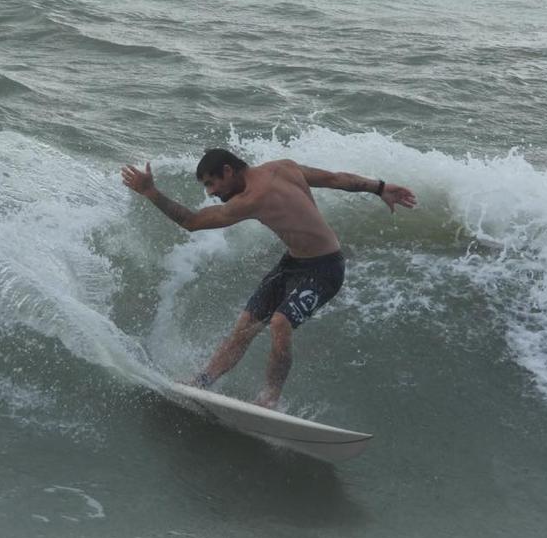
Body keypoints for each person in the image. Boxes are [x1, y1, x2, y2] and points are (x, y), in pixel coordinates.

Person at [121, 148, 417, 408]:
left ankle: (270, 396)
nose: (211, 192)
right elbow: (336, 179)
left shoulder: (250, 200)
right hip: (292, 263)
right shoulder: (283, 167)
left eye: (213, 183)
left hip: (325, 269)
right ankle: (203, 380)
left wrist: (151, 193)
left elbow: (192, 222)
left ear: (228, 170)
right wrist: (379, 187)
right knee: (245, 326)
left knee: (280, 322)